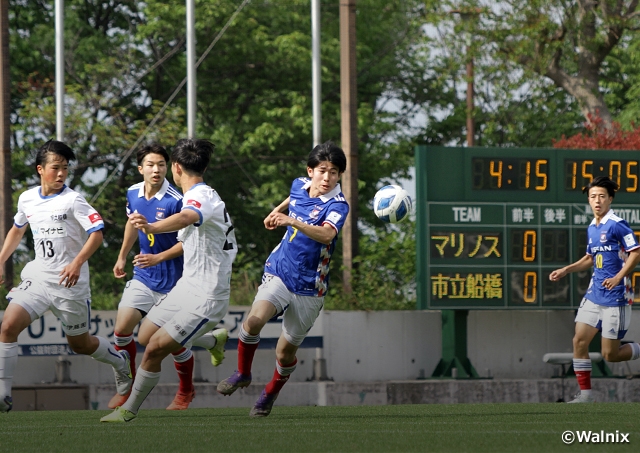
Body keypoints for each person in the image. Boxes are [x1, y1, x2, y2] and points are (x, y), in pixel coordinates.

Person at [101, 138, 237, 422]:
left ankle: (128, 410)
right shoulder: (195, 193)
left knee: (153, 350)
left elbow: (188, 216)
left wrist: (151, 227)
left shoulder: (198, 196)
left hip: (207, 297)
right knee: (145, 336)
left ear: (174, 167)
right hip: (186, 287)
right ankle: (212, 341)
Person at [217, 141, 349, 417]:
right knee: (253, 322)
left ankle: (270, 393)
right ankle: (242, 372)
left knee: (284, 353)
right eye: (322, 170)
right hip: (280, 270)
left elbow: (326, 235)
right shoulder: (299, 184)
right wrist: (276, 211)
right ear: (310, 171)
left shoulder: (338, 204)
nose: (327, 177)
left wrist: (292, 222)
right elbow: (293, 198)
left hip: (310, 287)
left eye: (334, 172)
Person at [0, 140, 132, 413]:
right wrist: (1, 261)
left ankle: (120, 362)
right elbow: (17, 229)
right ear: (40, 169)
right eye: (55, 168)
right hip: (38, 278)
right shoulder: (27, 198)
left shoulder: (73, 200)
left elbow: (97, 232)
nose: (61, 174)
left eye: (65, 169)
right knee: (7, 326)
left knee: (80, 345)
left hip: (70, 284)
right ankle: (3, 395)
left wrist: (76, 263)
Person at [549, 176, 640, 403]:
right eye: (593, 197)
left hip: (616, 296)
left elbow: (636, 253)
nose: (597, 201)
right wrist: (566, 270)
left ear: (610, 198)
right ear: (588, 201)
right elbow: (590, 258)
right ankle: (585, 395)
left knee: (611, 354)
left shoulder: (618, 224)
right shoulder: (592, 227)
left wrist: (619, 277)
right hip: (594, 294)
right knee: (579, 341)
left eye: (601, 196)